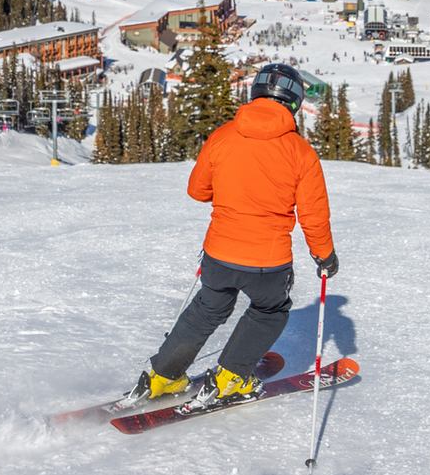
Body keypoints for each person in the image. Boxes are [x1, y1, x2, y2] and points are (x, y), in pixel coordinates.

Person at [122, 62, 337, 410]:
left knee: (208, 308)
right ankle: (230, 377)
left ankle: (163, 376)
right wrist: (325, 256)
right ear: (295, 104)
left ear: (256, 94)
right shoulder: (300, 152)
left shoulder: (223, 136)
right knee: (270, 310)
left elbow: (197, 189)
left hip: (219, 253)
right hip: (268, 262)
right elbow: (313, 214)